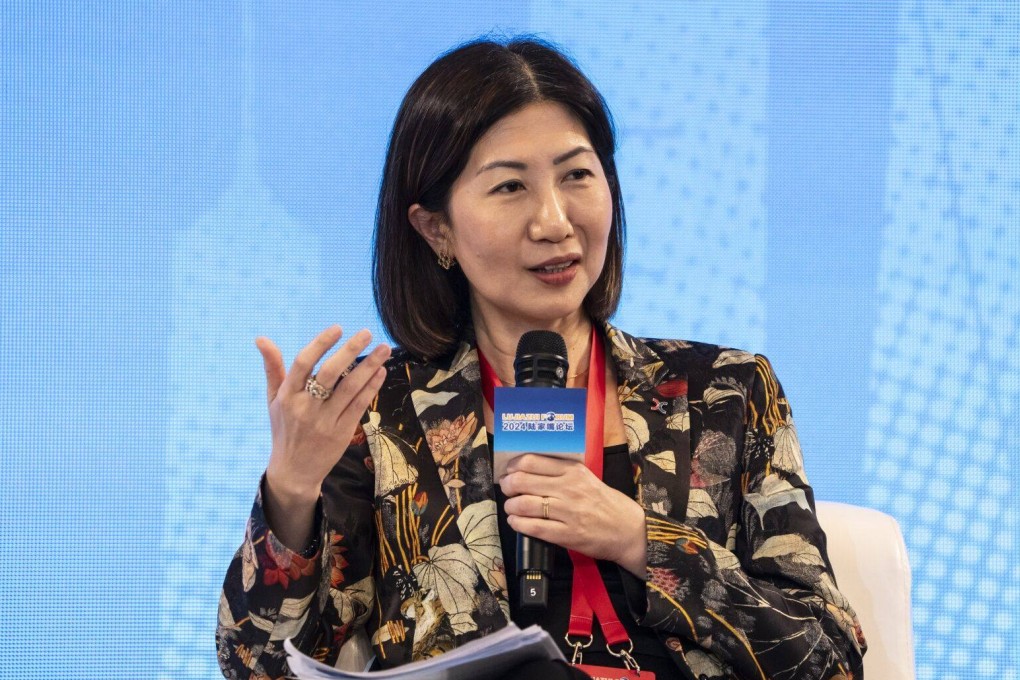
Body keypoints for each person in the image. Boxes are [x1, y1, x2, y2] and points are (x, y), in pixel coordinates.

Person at [216, 38, 867, 679]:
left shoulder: (727, 394)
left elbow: (829, 657)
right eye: (509, 188)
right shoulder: (385, 416)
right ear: (435, 228)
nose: (554, 220)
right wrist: (291, 491)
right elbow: (261, 668)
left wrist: (641, 540)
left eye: (577, 176)